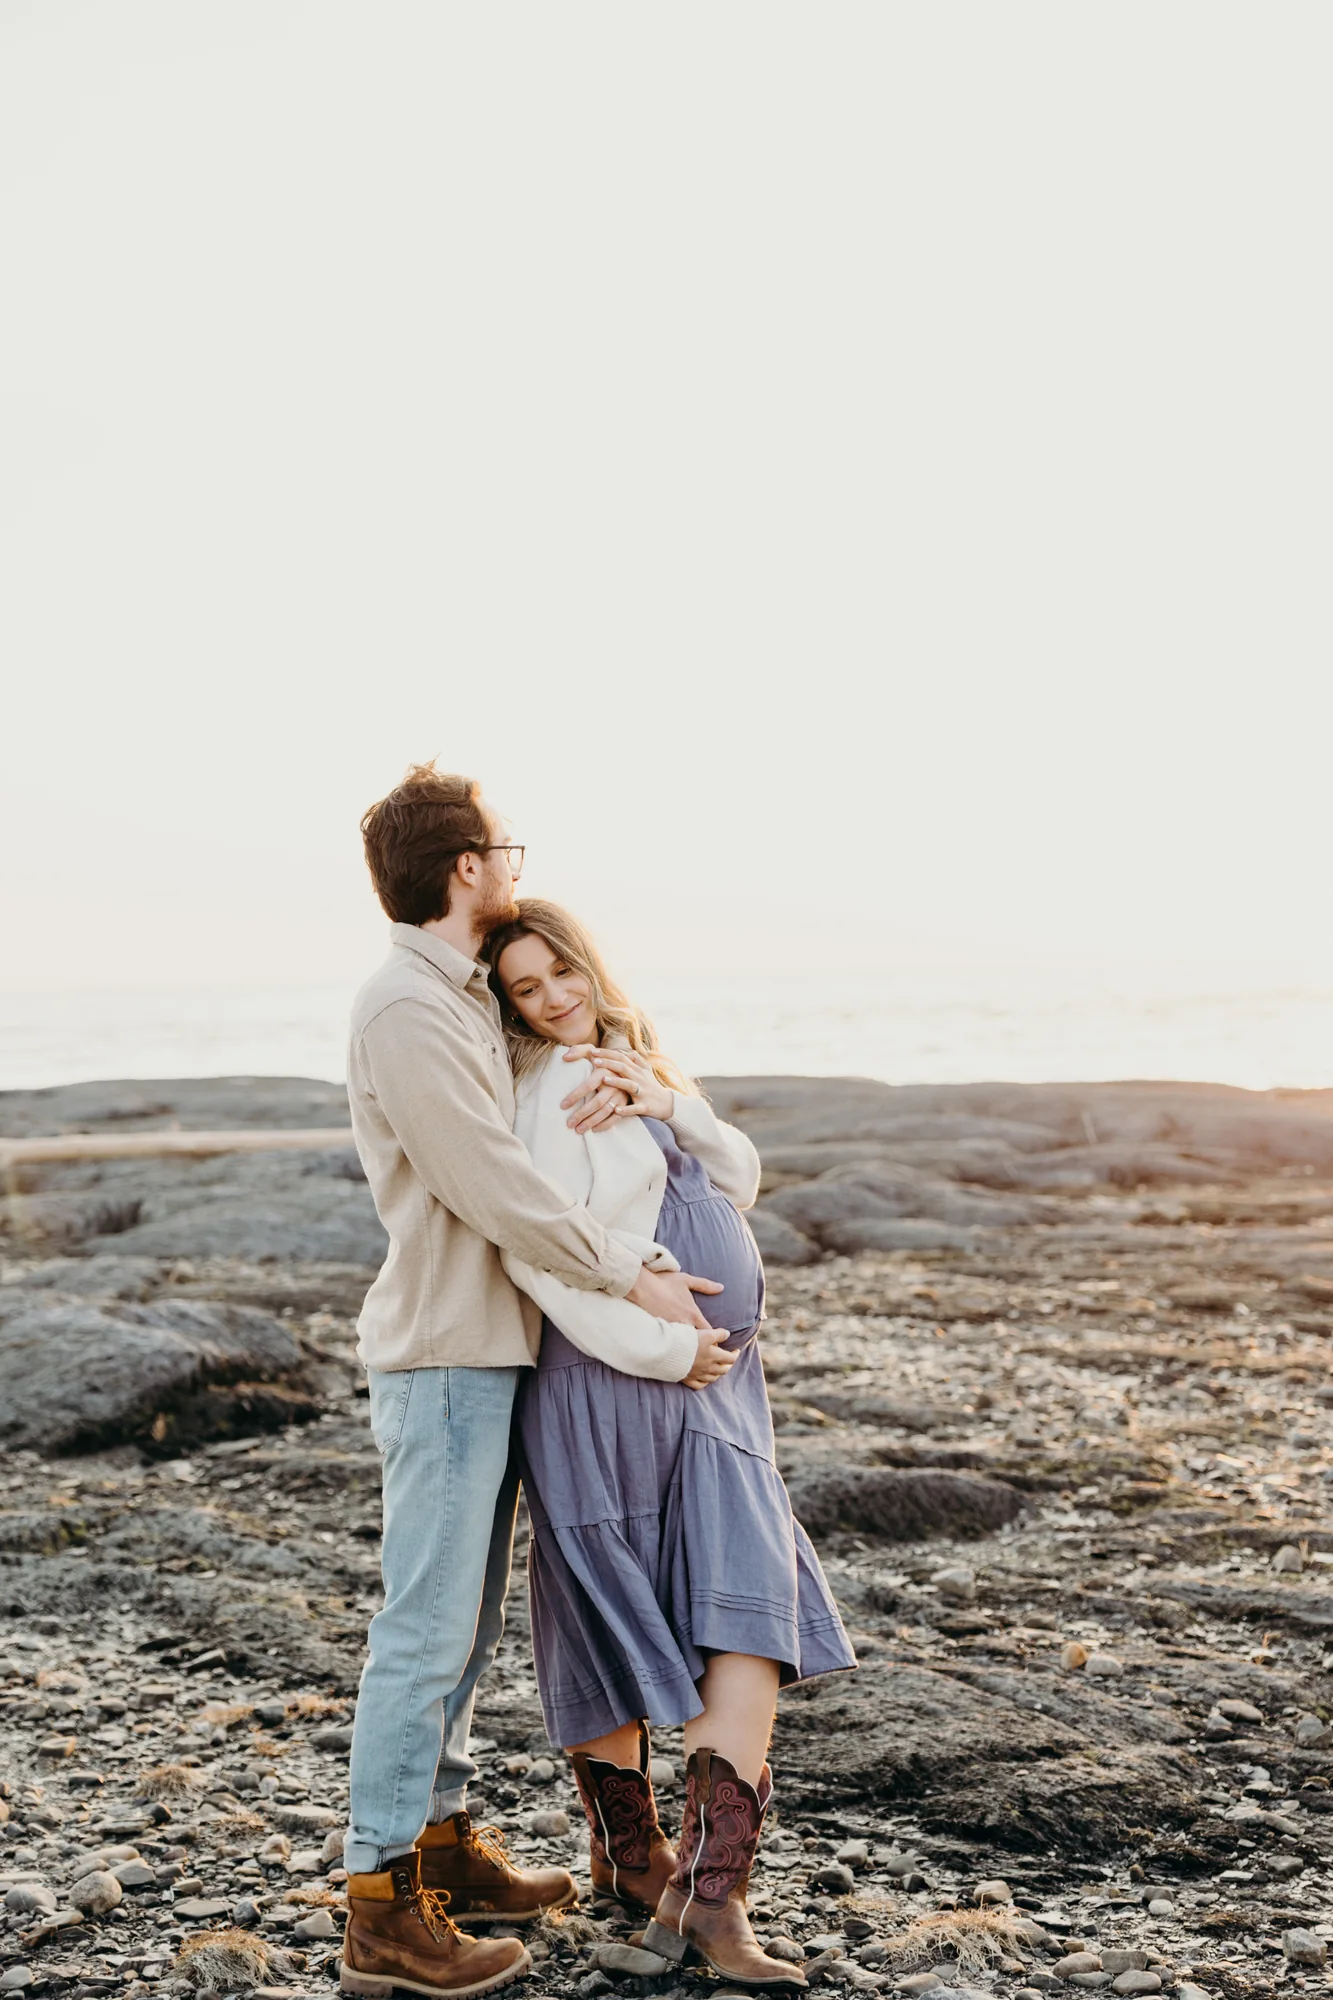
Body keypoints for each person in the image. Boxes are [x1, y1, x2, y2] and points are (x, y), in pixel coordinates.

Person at [340, 767, 732, 2000]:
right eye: (501, 846)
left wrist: (642, 1087)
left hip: (489, 1349)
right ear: (467, 867)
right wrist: (638, 1271)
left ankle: (442, 1848)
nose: (511, 862)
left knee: (461, 1627)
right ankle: (380, 1907)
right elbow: (493, 1184)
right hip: (446, 1351)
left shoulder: (460, 998)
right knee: (422, 1628)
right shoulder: (408, 1005)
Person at [489, 900, 856, 1991]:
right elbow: (541, 1254)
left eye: (563, 971)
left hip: (714, 1388)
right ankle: (642, 1860)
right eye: (527, 985)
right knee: (624, 1602)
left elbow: (737, 1174)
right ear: (506, 1005)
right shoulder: (542, 1091)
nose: (555, 995)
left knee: (738, 1594)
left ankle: (699, 1887)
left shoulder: (625, 1058)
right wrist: (660, 1351)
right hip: (622, 1381)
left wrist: (668, 1101)